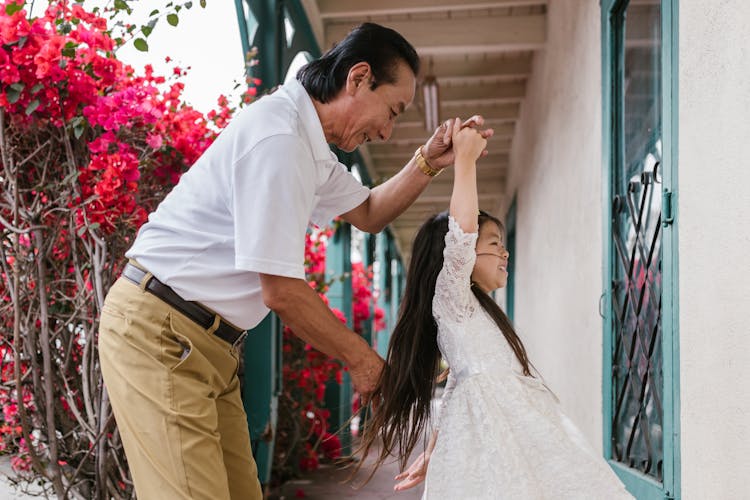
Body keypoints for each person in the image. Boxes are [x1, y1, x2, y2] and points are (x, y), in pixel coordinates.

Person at [97, 23, 492, 500]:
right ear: (358, 77)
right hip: (161, 331)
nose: (387, 130)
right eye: (392, 110)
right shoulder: (280, 138)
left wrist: (427, 160)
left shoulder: (308, 144)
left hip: (209, 345)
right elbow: (280, 289)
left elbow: (368, 212)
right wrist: (364, 361)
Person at [355, 119, 633, 499]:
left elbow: (455, 386)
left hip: (525, 436)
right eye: (494, 243)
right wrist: (465, 161)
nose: (504, 252)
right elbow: (462, 237)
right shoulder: (451, 300)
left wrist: (433, 448)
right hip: (493, 443)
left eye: (503, 243)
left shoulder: (477, 311)